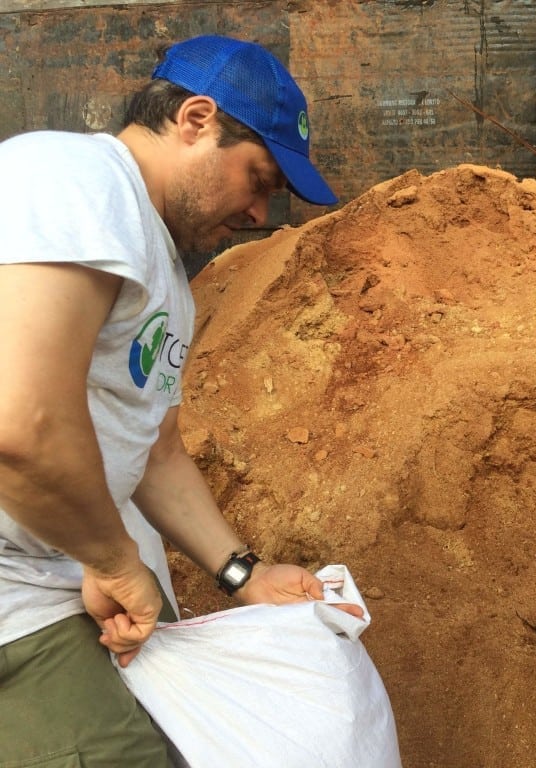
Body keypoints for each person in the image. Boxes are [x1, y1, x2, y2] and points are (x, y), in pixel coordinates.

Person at [0, 35, 359, 766]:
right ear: (195, 119)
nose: (261, 213)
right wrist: (115, 560)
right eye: (258, 179)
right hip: (20, 598)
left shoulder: (158, 260)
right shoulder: (73, 180)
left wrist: (243, 575)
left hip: (81, 574)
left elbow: (154, 446)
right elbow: (20, 425)